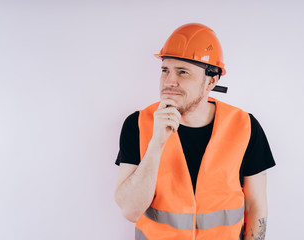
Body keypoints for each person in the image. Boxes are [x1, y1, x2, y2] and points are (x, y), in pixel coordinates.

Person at [114, 23, 276, 240]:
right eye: (165, 70)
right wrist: (156, 144)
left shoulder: (245, 126)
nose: (170, 81)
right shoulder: (138, 124)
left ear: (211, 81)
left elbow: (256, 207)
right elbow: (130, 211)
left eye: (183, 72)